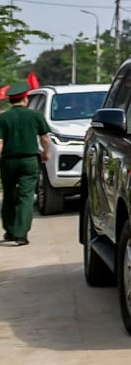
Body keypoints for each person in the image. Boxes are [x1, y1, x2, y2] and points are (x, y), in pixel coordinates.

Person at [1, 86, 52, 246]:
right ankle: (21, 234)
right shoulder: (35, 116)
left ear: (10, 100)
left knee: (9, 195)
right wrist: (46, 153)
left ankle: (10, 231)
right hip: (29, 160)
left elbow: (0, 142)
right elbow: (45, 139)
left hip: (8, 161)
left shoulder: (3, 118)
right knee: (26, 196)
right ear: (25, 99)